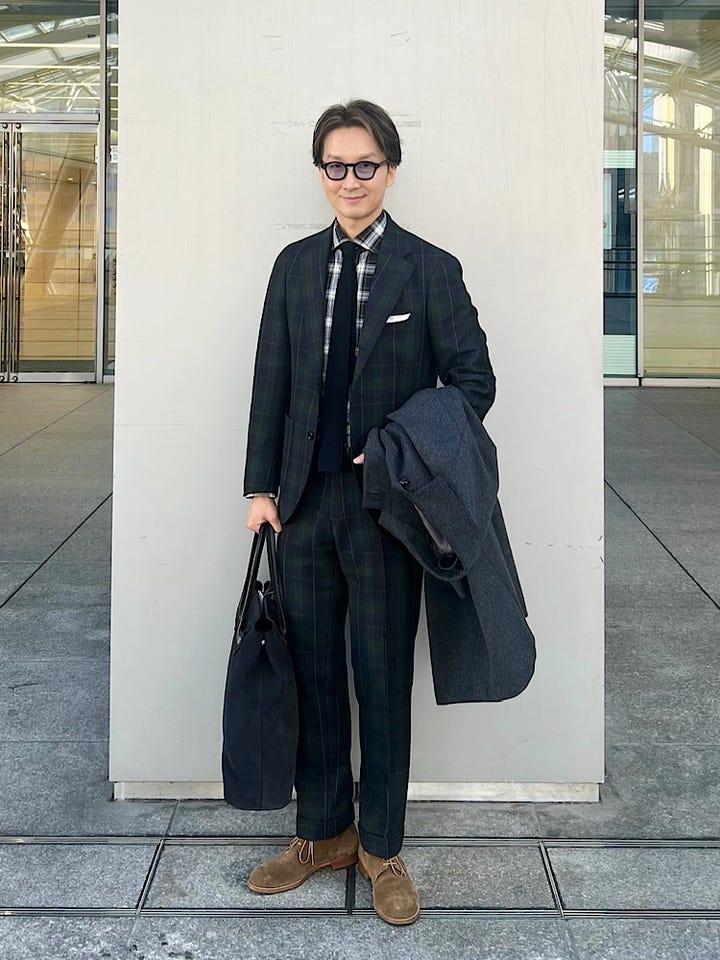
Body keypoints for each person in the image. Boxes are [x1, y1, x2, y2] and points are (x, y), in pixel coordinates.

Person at [243, 99, 495, 925]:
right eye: (335, 166)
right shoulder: (292, 267)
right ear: (320, 171)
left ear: (390, 169)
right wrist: (260, 489)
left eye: (365, 165)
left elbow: (474, 384)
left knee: (381, 679)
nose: (349, 181)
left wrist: (395, 445)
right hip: (301, 508)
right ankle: (323, 833)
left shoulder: (430, 270)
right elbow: (270, 383)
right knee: (314, 675)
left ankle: (383, 846)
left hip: (388, 513)